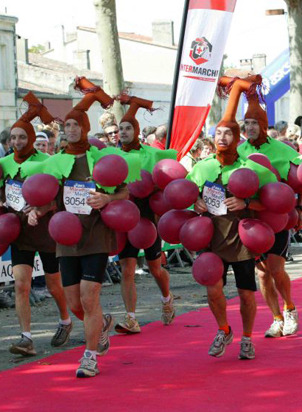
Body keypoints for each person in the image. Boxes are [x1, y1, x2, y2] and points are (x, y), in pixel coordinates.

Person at [23, 77, 136, 378]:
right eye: (68, 126)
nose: (71, 130)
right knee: (74, 302)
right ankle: (100, 327)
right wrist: (37, 211)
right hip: (65, 236)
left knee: (89, 296)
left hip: (96, 235)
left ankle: (89, 357)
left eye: (77, 125)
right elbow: (50, 199)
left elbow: (124, 193)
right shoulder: (55, 162)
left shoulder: (101, 158)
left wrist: (107, 197)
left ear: (85, 129)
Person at [187, 76, 277, 359]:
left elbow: (272, 203)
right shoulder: (201, 168)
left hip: (241, 242)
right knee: (213, 292)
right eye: (217, 134)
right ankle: (224, 329)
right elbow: (184, 195)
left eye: (227, 134)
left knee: (246, 294)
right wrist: (196, 202)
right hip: (210, 240)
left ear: (237, 139)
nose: (222, 138)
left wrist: (246, 201)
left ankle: (247, 337)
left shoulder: (252, 167)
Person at [0, 92, 72, 357]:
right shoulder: (4, 163)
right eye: (13, 137)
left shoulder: (47, 162)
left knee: (54, 285)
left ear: (31, 138)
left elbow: (59, 195)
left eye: (22, 137)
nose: (17, 141)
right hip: (18, 230)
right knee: (21, 284)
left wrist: (41, 209)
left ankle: (65, 320)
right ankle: (26, 337)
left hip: (45, 230)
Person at [238, 75, 302, 338]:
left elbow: (300, 182)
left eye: (255, 123)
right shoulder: (239, 150)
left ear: (264, 125)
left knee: (276, 269)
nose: (250, 127)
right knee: (262, 274)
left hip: (278, 216)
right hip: (252, 218)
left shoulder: (284, 150)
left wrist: (300, 211)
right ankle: (276, 318)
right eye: (247, 123)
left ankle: (290, 308)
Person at [115, 93, 177, 334]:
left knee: (155, 269)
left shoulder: (153, 154)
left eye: (128, 128)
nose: (123, 132)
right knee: (127, 269)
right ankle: (131, 318)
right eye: (120, 129)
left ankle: (166, 299)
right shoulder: (113, 156)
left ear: (136, 131)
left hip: (148, 218)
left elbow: (167, 181)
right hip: (123, 217)